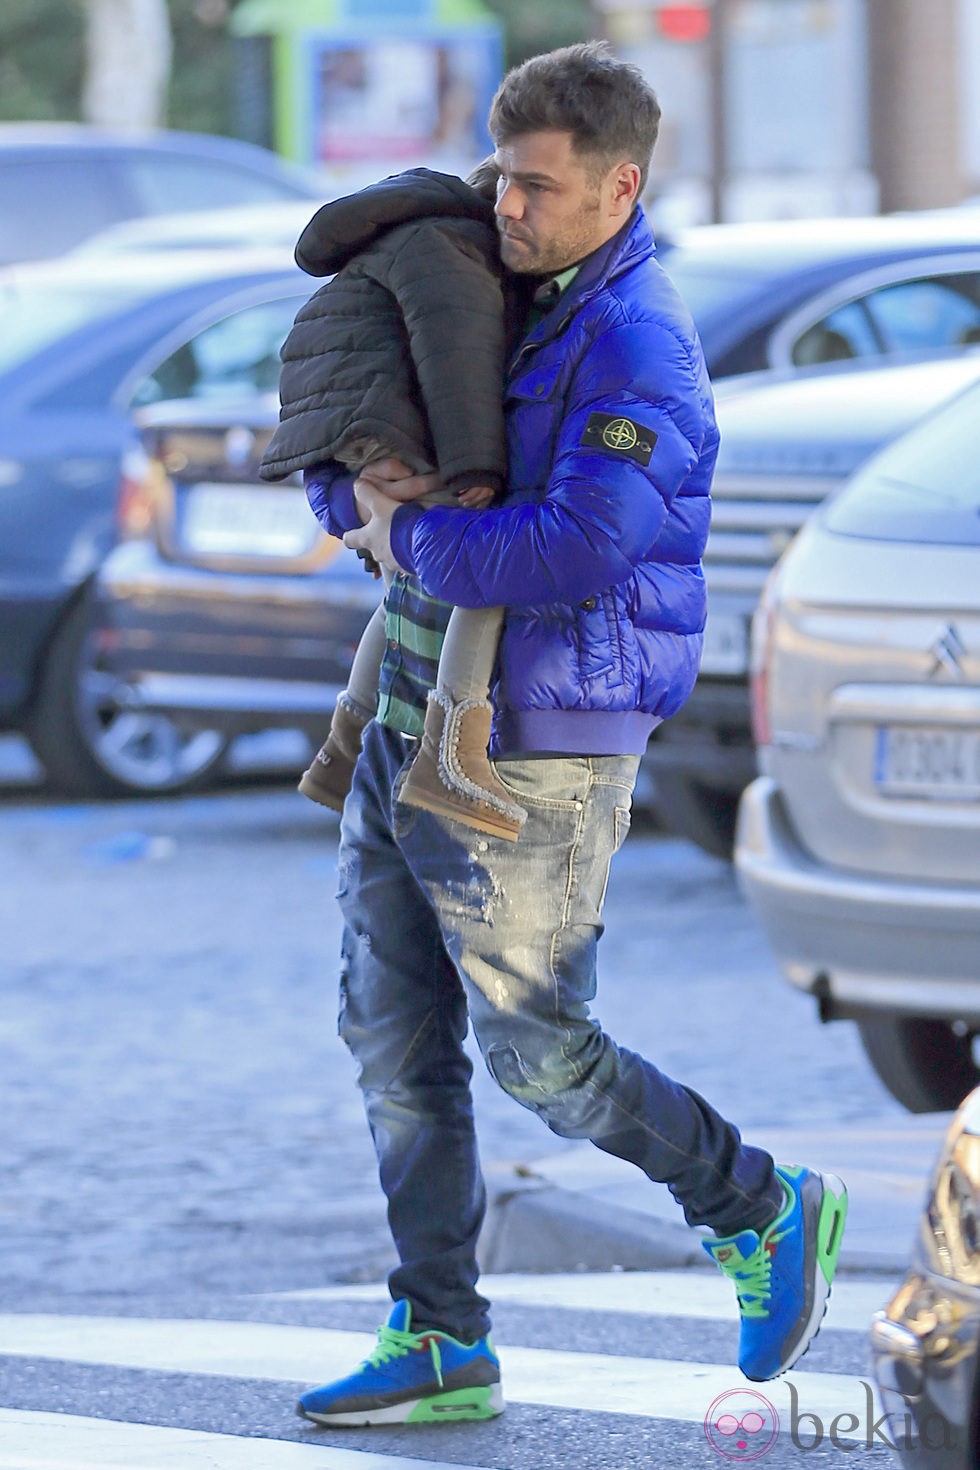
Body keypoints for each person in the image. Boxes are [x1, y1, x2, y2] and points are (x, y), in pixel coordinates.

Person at [295, 43, 848, 1428]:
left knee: (538, 1048)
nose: (511, 212)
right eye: (504, 183)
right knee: (388, 1029)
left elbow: (578, 547)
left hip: (534, 734)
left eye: (540, 191)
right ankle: (438, 1330)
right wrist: (355, 487)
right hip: (410, 707)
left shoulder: (636, 339)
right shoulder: (480, 281)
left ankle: (763, 1200)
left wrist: (408, 530)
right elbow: (357, 431)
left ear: (622, 184)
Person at [260, 163, 529, 839]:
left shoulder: (397, 235)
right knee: (479, 576)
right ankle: (454, 758)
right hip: (379, 421)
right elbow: (455, 363)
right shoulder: (449, 249)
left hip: (345, 422)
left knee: (403, 584)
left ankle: (342, 742)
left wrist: (350, 493)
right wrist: (476, 470)